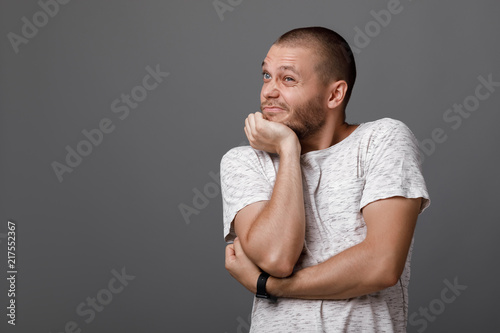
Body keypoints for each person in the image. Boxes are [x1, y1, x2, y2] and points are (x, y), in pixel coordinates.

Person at [220, 26, 430, 332]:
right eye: (267, 75)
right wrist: (288, 149)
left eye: (288, 78)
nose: (269, 91)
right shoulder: (243, 162)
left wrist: (271, 287)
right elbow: (277, 258)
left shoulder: (382, 140)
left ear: (334, 94)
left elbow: (381, 265)